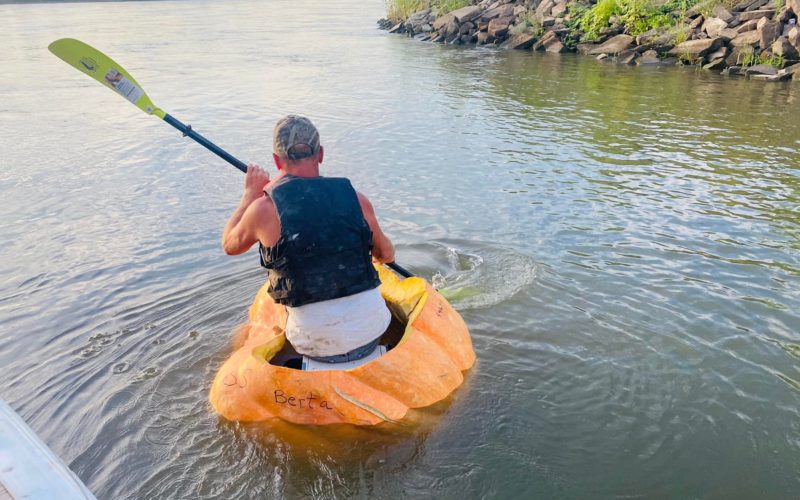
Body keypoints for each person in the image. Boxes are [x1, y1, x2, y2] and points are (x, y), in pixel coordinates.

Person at [221, 115, 395, 363]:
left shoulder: (262, 209)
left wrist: (249, 195)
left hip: (314, 347)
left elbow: (230, 245)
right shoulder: (357, 199)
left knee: (248, 329)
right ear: (321, 154)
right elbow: (387, 255)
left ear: (276, 160)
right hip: (373, 333)